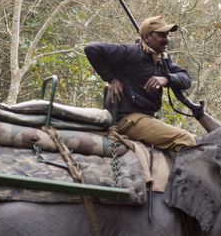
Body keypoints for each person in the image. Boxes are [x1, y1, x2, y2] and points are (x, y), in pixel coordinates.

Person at [84, 16, 196, 151]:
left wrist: (166, 79)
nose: (166, 39)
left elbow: (186, 79)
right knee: (186, 139)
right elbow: (92, 49)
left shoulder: (163, 60)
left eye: (167, 35)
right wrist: (111, 79)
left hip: (146, 119)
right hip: (128, 119)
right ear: (147, 37)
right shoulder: (131, 52)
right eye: (161, 35)